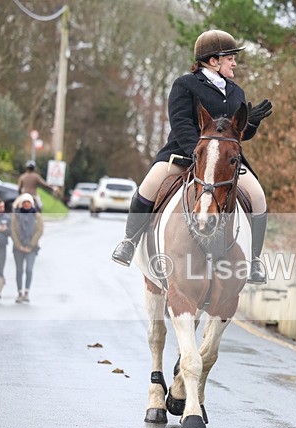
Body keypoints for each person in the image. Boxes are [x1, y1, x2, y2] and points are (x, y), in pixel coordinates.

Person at [111, 29, 273, 284]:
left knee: (259, 197)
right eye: (230, 58)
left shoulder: (236, 92)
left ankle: (253, 261)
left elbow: (238, 135)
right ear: (213, 61)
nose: (235, 63)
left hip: (224, 164)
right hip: (182, 155)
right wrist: (200, 156)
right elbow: (181, 123)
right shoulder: (184, 85)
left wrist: (249, 124)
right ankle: (129, 241)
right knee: (149, 186)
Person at [11, 193, 44, 304]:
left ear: (32, 204)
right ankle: (19, 292)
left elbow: (39, 231)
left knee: (29, 269)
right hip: (18, 247)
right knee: (19, 270)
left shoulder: (37, 216)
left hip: (32, 248)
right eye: (24, 202)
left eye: (28, 202)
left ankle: (27, 292)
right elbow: (13, 231)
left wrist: (30, 245)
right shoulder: (16, 216)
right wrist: (19, 245)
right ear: (21, 204)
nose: (26, 204)